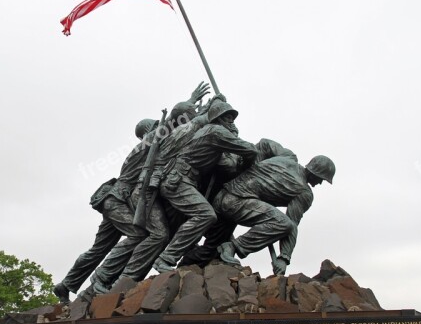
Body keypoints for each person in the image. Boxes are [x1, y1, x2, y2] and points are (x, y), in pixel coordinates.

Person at [52, 83, 210, 302]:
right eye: (157, 125)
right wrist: (193, 104)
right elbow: (175, 123)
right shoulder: (150, 141)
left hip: (115, 200)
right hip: (119, 200)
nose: (161, 126)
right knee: (142, 234)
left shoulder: (151, 143)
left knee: (98, 249)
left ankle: (66, 285)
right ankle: (101, 279)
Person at [151, 100, 258, 273]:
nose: (232, 122)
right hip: (178, 180)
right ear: (219, 118)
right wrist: (246, 163)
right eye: (228, 118)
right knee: (206, 215)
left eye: (233, 118)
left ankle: (185, 255)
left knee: (203, 217)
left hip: (183, 179)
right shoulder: (216, 131)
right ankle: (166, 259)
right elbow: (251, 150)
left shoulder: (209, 132)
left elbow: (227, 165)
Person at [187, 153, 334, 275]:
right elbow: (292, 224)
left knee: (210, 250)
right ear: (315, 173)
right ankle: (233, 247)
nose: (320, 183)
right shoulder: (304, 192)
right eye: (321, 179)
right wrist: (284, 258)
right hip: (236, 203)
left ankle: (186, 266)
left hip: (221, 197)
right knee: (283, 223)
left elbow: (263, 144)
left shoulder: (286, 158)